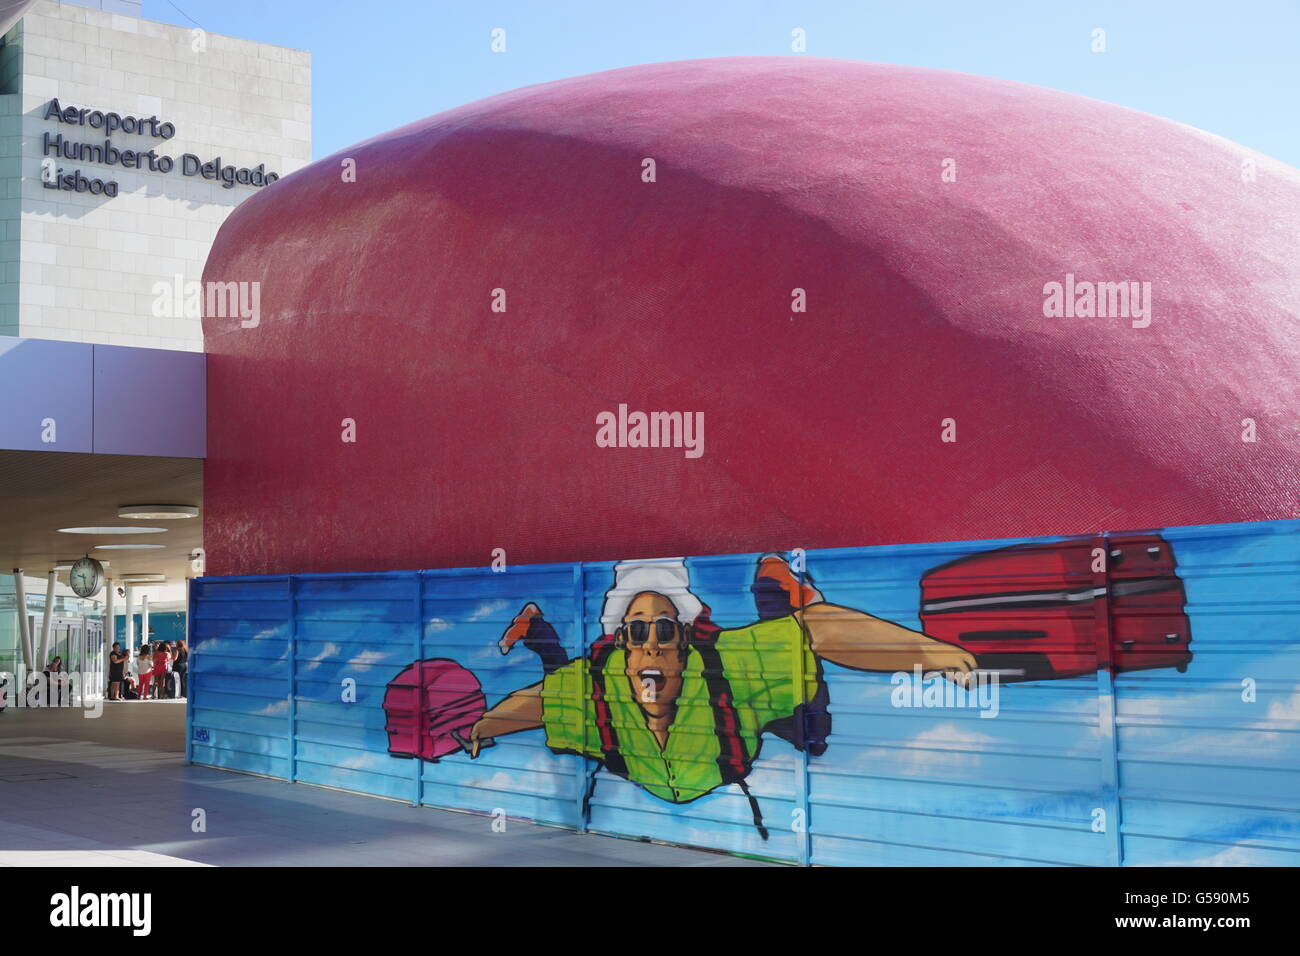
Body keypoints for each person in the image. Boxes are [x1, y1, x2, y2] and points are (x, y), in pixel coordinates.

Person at [460, 553, 976, 838]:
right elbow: (540, 700)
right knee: (563, 688)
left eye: (665, 631)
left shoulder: (726, 663)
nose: (652, 645)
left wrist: (931, 653)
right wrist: (485, 726)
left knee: (812, 731)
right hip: (666, 765)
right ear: (621, 645)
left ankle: (778, 598)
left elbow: (821, 630)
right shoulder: (599, 683)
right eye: (637, 633)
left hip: (741, 725)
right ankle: (779, 604)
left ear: (685, 640)